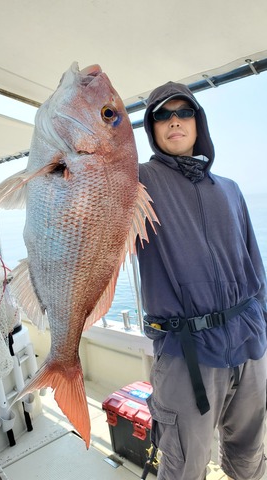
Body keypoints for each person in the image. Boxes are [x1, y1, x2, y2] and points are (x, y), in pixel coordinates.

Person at [137, 81, 267, 480]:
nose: (174, 121)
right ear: (152, 128)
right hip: (185, 355)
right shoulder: (137, 183)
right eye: (162, 114)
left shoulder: (230, 189)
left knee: (251, 454)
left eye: (184, 112)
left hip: (250, 344)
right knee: (183, 466)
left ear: (198, 121)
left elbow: (255, 268)